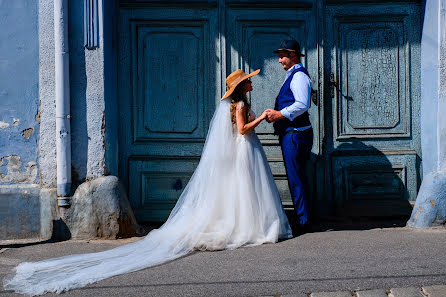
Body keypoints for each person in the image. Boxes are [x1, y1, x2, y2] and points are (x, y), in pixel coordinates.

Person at [3, 69, 292, 296]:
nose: (253, 83)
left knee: (241, 191)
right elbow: (241, 131)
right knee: (244, 190)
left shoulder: (239, 102)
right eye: (250, 81)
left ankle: (247, 223)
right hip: (245, 151)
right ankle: (249, 226)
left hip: (246, 154)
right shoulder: (240, 104)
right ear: (242, 87)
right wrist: (262, 118)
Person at [265, 39, 314, 236]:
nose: (279, 60)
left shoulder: (299, 76)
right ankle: (303, 217)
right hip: (293, 133)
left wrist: (280, 114)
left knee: (296, 178)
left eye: (282, 56)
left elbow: (303, 103)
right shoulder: (292, 74)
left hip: (296, 135)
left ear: (293, 55)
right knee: (297, 176)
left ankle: (303, 222)